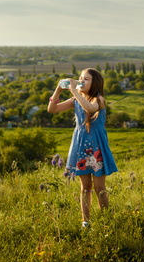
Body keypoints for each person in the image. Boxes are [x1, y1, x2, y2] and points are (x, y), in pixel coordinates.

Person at [47, 68, 117, 227]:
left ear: (95, 83)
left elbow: (90, 108)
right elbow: (52, 109)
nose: (81, 81)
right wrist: (58, 90)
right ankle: (86, 222)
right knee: (85, 187)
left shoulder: (100, 100)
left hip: (97, 148)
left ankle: (106, 221)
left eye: (86, 79)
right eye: (80, 78)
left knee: (99, 187)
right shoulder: (75, 100)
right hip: (81, 148)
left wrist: (74, 91)